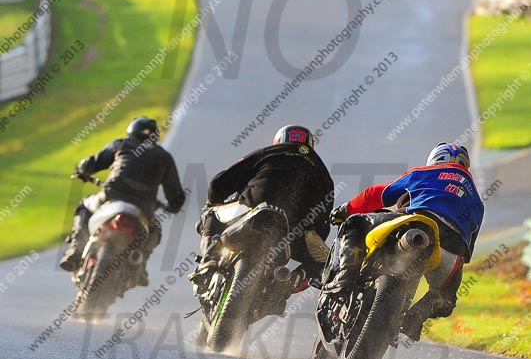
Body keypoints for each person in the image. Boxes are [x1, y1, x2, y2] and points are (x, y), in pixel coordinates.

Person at [326, 142, 484, 341]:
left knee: (354, 223)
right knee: (446, 298)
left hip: (418, 223)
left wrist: (346, 210)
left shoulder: (423, 172)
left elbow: (376, 194)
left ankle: (345, 277)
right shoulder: (478, 202)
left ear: (434, 160)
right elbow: (467, 250)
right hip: (452, 248)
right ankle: (415, 317)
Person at [194, 125, 334, 289]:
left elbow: (219, 184)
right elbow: (325, 222)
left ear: (279, 141)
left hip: (255, 208)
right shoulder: (324, 175)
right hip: (295, 230)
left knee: (210, 213)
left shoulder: (269, 153)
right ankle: (294, 280)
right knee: (326, 262)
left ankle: (209, 258)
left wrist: (215, 200)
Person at [60, 117, 185, 282]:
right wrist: (173, 206)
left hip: (111, 196)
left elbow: (92, 163)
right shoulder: (164, 157)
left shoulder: (122, 144)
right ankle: (139, 267)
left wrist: (81, 169)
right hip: (143, 208)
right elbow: (176, 195)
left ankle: (76, 252)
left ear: (132, 131)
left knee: (84, 206)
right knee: (154, 231)